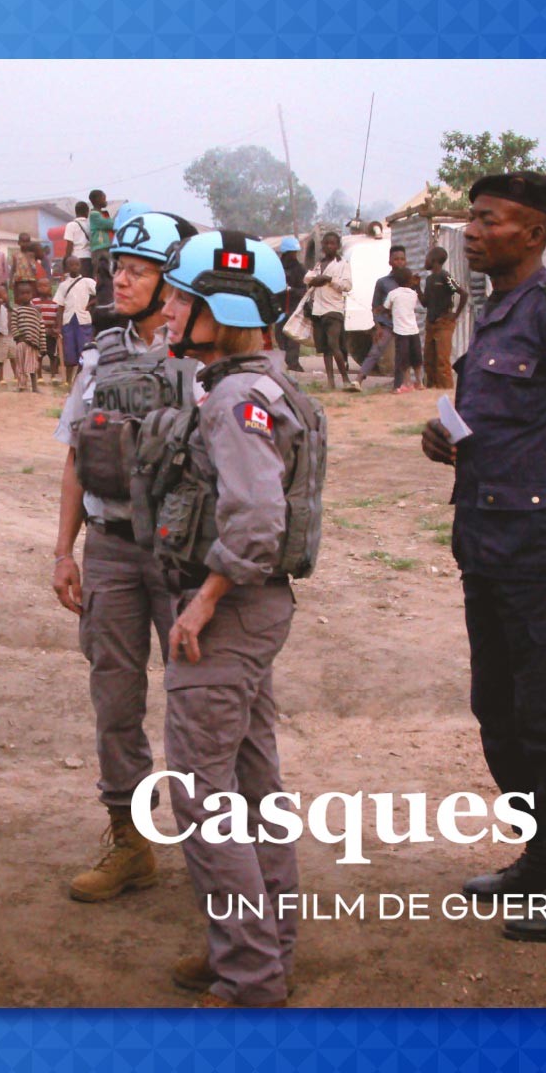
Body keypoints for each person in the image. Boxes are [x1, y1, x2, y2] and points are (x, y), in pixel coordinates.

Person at [419, 172, 546, 942]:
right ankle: (544, 853)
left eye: (488, 219)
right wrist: (448, 438)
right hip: (488, 546)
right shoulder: (494, 313)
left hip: (545, 551)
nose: (471, 229)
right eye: (472, 216)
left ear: (532, 234)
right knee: (500, 714)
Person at [143, 231, 324, 1007]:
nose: (171, 310)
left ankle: (249, 975)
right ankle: (265, 948)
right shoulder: (266, 388)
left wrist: (205, 602)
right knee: (253, 784)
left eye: (183, 298)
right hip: (258, 607)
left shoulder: (232, 399)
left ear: (222, 307)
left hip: (232, 608)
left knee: (201, 792)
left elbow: (252, 518)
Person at [49, 210, 195, 904]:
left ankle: (215, 854)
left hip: (179, 551)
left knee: (198, 703)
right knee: (115, 699)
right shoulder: (98, 355)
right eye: (119, 267)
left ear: (173, 281)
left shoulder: (201, 357)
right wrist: (63, 552)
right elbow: (78, 455)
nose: (123, 279)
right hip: (109, 548)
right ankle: (131, 841)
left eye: (139, 269)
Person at [306, 232, 353, 391]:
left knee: (334, 343)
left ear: (338, 246)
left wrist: (329, 280)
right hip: (318, 310)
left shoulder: (342, 264)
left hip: (334, 309)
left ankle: (345, 379)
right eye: (326, 244)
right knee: (325, 348)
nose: (329, 247)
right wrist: (315, 280)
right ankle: (330, 381)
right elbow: (308, 279)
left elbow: (347, 285)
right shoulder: (319, 264)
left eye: (332, 244)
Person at [358, 245, 409, 385]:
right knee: (376, 351)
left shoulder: (410, 281)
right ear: (390, 262)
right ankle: (358, 380)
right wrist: (377, 326)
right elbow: (375, 306)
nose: (399, 262)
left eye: (402, 259)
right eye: (396, 259)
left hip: (405, 325)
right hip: (387, 324)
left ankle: (402, 383)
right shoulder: (383, 282)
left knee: (404, 355)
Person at [421, 246, 465, 389]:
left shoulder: (445, 277)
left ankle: (446, 390)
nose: (425, 260)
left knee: (442, 360)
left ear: (434, 260)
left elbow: (463, 293)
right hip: (431, 323)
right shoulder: (429, 279)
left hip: (443, 323)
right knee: (429, 360)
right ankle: (432, 389)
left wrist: (455, 315)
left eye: (427, 257)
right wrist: (416, 288)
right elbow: (425, 303)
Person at [55, 257, 97, 386]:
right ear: (66, 268)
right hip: (68, 321)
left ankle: (80, 379)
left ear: (80, 266)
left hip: (83, 320)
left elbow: (100, 293)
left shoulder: (87, 282)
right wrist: (58, 326)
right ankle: (67, 380)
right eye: (71, 265)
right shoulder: (63, 285)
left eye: (76, 264)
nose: (74, 267)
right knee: (69, 351)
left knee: (84, 350)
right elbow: (60, 307)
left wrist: (90, 304)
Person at [386, 268, 424, 393]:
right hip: (414, 330)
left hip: (400, 332)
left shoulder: (393, 294)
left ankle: (407, 383)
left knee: (404, 359)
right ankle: (420, 382)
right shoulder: (413, 294)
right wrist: (415, 285)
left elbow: (387, 307)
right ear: (410, 280)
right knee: (417, 359)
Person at [275, 236, 308, 371]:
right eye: (291, 253)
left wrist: (292, 290)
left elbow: (304, 290)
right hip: (279, 307)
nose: (294, 255)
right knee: (279, 334)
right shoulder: (276, 268)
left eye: (295, 253)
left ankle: (293, 363)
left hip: (294, 308)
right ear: (285, 253)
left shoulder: (299, 269)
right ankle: (286, 359)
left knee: (293, 336)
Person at [10, 278, 46, 393]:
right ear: (18, 295)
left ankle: (34, 387)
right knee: (20, 366)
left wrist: (43, 346)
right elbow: (13, 326)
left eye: (28, 293)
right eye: (22, 293)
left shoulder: (36, 311)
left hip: (33, 344)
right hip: (21, 343)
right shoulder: (17, 311)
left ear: (32, 294)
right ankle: (22, 386)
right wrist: (18, 336)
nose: (25, 296)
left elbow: (41, 328)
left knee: (32, 366)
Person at [32, 273, 63, 379]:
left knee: (52, 355)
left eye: (45, 286)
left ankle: (53, 375)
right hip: (39, 333)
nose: (42, 288)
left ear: (50, 288)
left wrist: (55, 329)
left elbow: (58, 318)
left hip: (51, 334)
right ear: (37, 288)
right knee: (39, 355)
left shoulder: (55, 303)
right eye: (40, 286)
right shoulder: (34, 302)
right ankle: (39, 376)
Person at [66, 201, 92, 269]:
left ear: (76, 211)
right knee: (88, 279)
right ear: (87, 211)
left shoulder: (70, 225)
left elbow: (69, 244)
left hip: (76, 259)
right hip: (88, 258)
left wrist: (66, 259)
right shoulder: (90, 225)